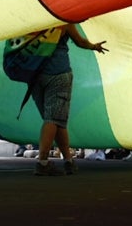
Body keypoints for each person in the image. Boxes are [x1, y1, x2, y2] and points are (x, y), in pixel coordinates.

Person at [27, 22, 106, 176]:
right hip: (58, 73)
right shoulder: (62, 22)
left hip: (34, 75)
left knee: (57, 120)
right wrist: (94, 46)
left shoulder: (33, 19)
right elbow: (80, 41)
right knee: (53, 119)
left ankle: (68, 161)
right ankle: (42, 162)